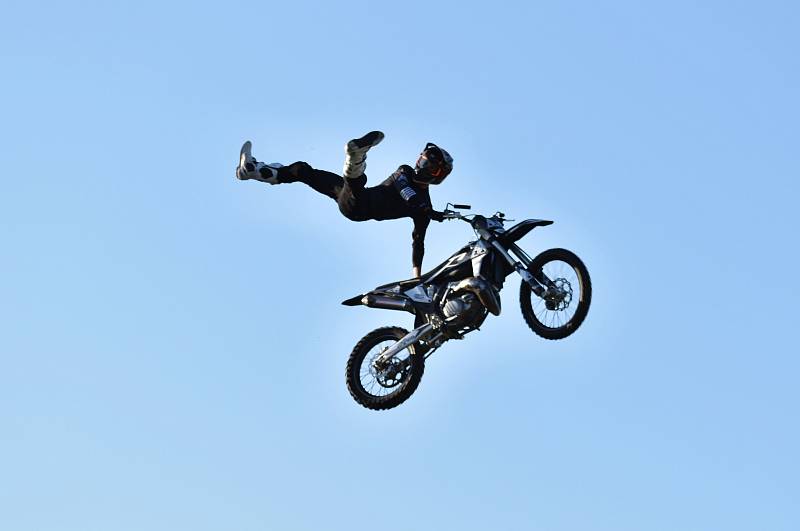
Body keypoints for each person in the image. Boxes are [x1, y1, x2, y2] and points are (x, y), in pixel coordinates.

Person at [235, 131, 454, 278]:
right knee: (302, 170)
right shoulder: (405, 173)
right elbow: (403, 188)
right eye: (423, 160)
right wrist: (424, 208)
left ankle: (355, 158)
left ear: (438, 175)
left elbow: (418, 243)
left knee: (358, 182)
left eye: (429, 166)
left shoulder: (423, 207)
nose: (422, 166)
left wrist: (416, 278)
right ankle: (253, 171)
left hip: (359, 208)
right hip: (350, 195)